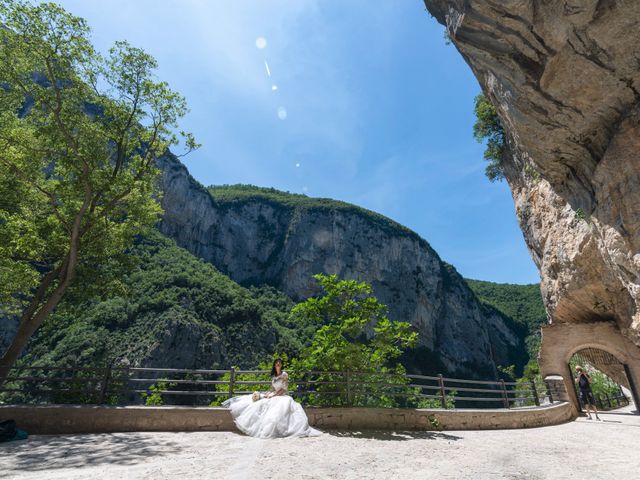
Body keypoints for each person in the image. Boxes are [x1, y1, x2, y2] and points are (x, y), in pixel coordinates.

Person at [222, 358, 322, 438]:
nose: (278, 364)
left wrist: (274, 395)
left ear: (281, 365)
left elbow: (284, 388)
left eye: (280, 363)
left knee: (275, 409)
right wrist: (267, 394)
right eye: (276, 363)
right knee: (260, 403)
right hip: (274, 394)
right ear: (274, 365)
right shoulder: (274, 376)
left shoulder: (284, 374)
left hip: (282, 396)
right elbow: (272, 388)